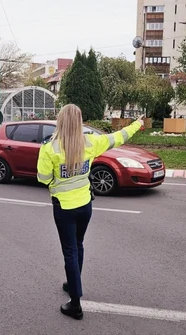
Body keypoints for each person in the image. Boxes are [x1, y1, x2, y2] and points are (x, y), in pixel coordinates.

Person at [37, 104, 143, 320]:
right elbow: (119, 137)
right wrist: (138, 123)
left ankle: (75, 304)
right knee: (78, 245)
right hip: (85, 205)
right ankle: (72, 283)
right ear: (79, 122)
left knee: (70, 252)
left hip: (64, 208)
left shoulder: (49, 149)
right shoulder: (91, 143)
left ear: (60, 121)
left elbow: (43, 178)